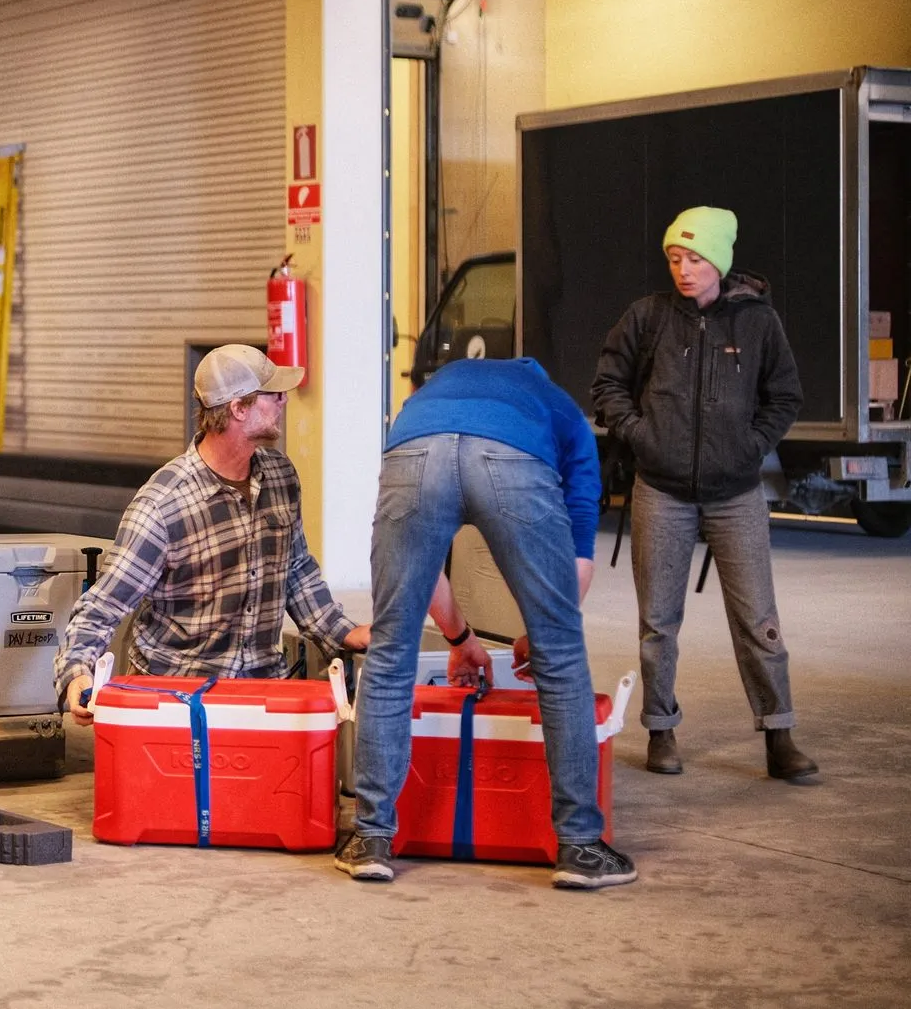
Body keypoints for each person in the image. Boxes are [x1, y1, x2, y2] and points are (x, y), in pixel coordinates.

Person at [336, 357, 635, 890]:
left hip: (414, 454)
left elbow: (420, 572)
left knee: (391, 647)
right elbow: (580, 548)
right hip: (513, 460)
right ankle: (581, 847)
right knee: (562, 654)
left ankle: (371, 839)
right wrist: (540, 636)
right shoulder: (560, 409)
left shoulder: (431, 395)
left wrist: (459, 637)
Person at [58, 343, 448, 716]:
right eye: (273, 394)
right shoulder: (163, 506)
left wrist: (341, 631)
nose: (285, 400)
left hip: (261, 691)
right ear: (239, 408)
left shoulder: (280, 476)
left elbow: (296, 569)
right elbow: (102, 607)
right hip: (178, 699)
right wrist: (77, 675)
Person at [591, 206, 815, 781]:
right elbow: (608, 383)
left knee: (758, 620)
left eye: (694, 258)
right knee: (658, 622)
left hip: (736, 493)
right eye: (674, 258)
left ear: (720, 261)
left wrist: (750, 447)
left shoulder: (758, 323)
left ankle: (779, 734)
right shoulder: (647, 317)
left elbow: (785, 397)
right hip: (661, 490)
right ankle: (661, 730)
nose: (683, 270)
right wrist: (641, 435)